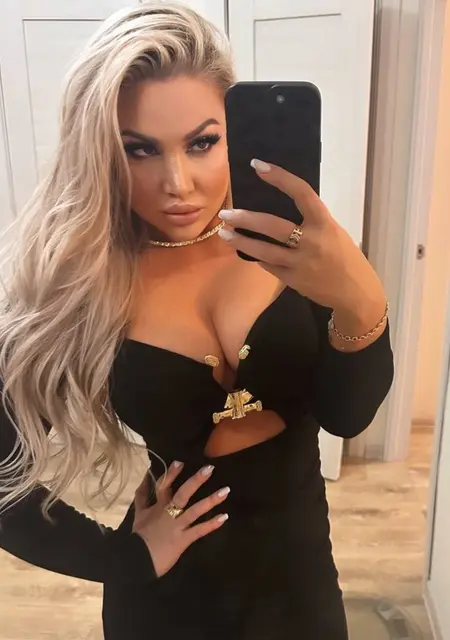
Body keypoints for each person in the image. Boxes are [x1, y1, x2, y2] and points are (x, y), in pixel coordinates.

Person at [0, 3, 394, 639]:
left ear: (233, 134)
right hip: (165, 600)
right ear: (100, 153)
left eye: (202, 143)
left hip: (298, 582)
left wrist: (362, 301)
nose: (177, 183)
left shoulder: (292, 246)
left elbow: (347, 416)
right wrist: (123, 557)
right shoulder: (82, 282)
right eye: (139, 150)